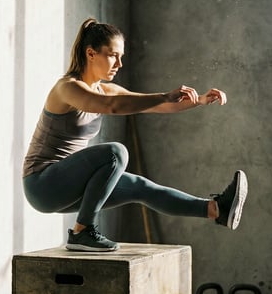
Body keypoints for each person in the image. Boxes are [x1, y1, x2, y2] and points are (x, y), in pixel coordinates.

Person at [22, 18, 248, 252]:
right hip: (42, 184)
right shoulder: (67, 88)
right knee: (115, 153)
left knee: (140, 187)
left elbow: (156, 106)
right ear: (91, 53)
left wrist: (199, 100)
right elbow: (112, 106)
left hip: (70, 184)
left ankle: (216, 210)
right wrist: (163, 95)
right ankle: (81, 232)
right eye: (113, 55)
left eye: (121, 56)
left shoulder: (105, 88)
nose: (119, 63)